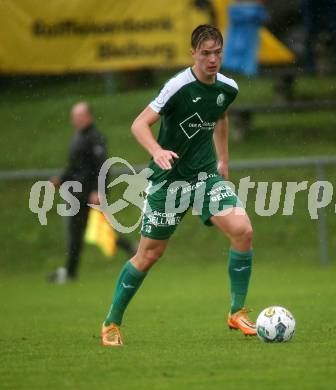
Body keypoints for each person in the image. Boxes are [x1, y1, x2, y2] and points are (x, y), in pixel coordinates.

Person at [101, 25, 255, 346]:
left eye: (217, 53)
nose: (212, 60)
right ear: (193, 54)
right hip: (168, 182)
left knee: (243, 230)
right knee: (149, 255)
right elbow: (139, 123)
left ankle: (237, 311)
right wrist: (156, 151)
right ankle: (111, 323)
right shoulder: (177, 86)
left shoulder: (228, 87)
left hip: (205, 178)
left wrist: (223, 161)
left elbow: (220, 117)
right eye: (205, 53)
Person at [49, 102, 136, 283]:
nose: (76, 120)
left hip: (90, 194)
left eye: (79, 116)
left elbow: (102, 167)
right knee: (79, 233)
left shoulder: (95, 137)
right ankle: (70, 272)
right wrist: (61, 179)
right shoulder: (78, 138)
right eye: (74, 117)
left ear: (88, 116)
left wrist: (98, 191)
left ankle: (70, 273)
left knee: (95, 232)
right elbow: (75, 167)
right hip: (77, 194)